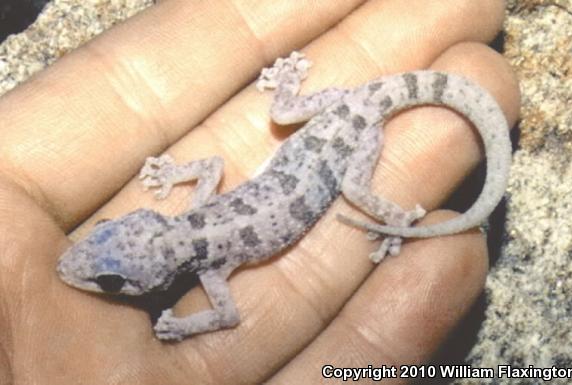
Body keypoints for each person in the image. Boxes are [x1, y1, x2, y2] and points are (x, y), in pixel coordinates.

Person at [0, 0, 519, 383]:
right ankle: (388, 208)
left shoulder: (208, 261)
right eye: (110, 275)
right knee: (281, 113)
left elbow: (226, 314)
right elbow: (211, 168)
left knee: (356, 190)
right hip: (335, 115)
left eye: (110, 279)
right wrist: (175, 174)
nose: (80, 270)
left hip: (353, 128)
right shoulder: (198, 224)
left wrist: (185, 326)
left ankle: (397, 221)